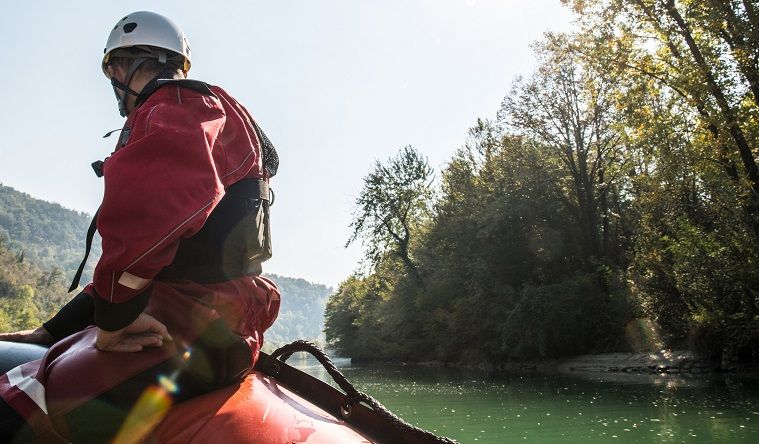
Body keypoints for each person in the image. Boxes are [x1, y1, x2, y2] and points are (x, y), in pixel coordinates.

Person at [0, 11, 280, 442]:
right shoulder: (194, 110)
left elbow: (149, 226)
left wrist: (112, 323)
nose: (112, 79)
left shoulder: (175, 107)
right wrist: (50, 332)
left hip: (197, 326)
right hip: (198, 314)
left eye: (113, 67)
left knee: (13, 408)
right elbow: (148, 267)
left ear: (126, 64)